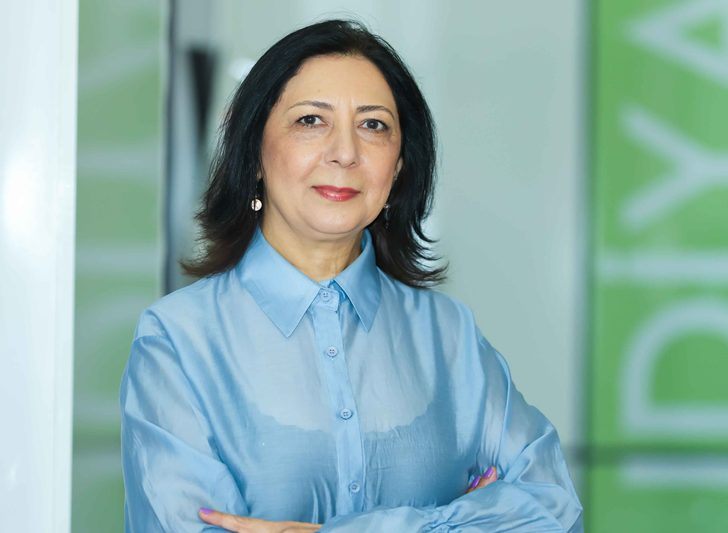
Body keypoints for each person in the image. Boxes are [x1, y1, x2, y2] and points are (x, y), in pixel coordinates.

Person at [120, 19, 583, 533]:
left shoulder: (448, 334)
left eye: (373, 126)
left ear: (399, 166)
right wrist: (461, 520)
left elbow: (553, 509)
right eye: (310, 120)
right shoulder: (178, 340)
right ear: (253, 154)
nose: (345, 152)